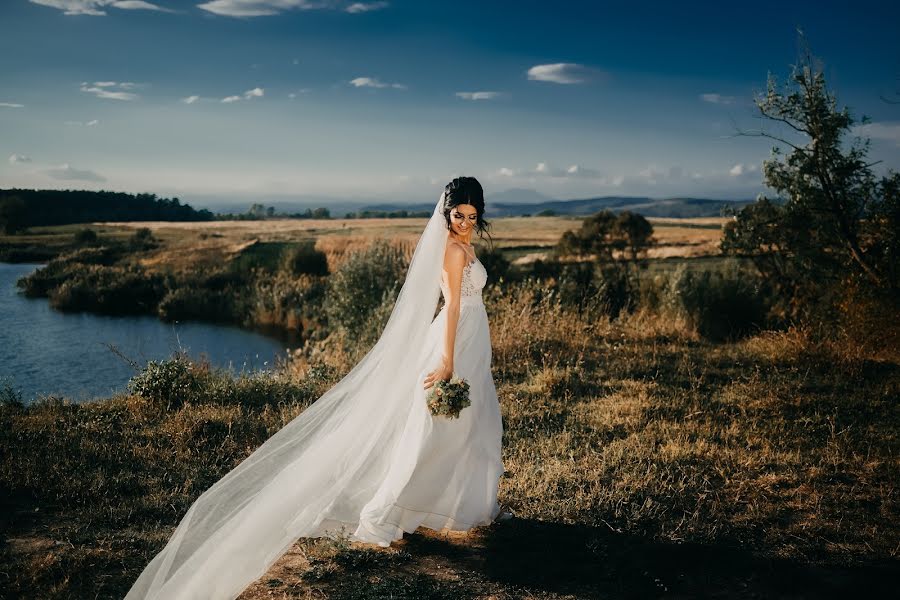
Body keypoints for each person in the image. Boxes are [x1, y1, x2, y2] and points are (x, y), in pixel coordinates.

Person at [125, 176, 508, 600]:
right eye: (459, 216)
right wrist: (448, 360)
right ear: (447, 213)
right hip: (457, 339)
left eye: (473, 217)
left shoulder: (465, 246)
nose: (466, 224)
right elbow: (452, 305)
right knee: (438, 426)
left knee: (473, 422)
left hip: (473, 335)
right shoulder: (453, 251)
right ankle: (392, 508)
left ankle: (463, 505)